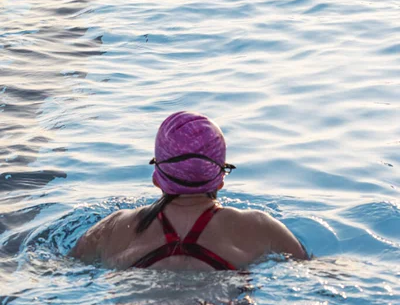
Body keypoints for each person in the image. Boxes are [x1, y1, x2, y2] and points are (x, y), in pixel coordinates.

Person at [71, 111, 307, 269]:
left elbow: (56, 271)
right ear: (220, 179)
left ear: (157, 178)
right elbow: (312, 271)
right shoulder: (258, 227)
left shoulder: (114, 228)